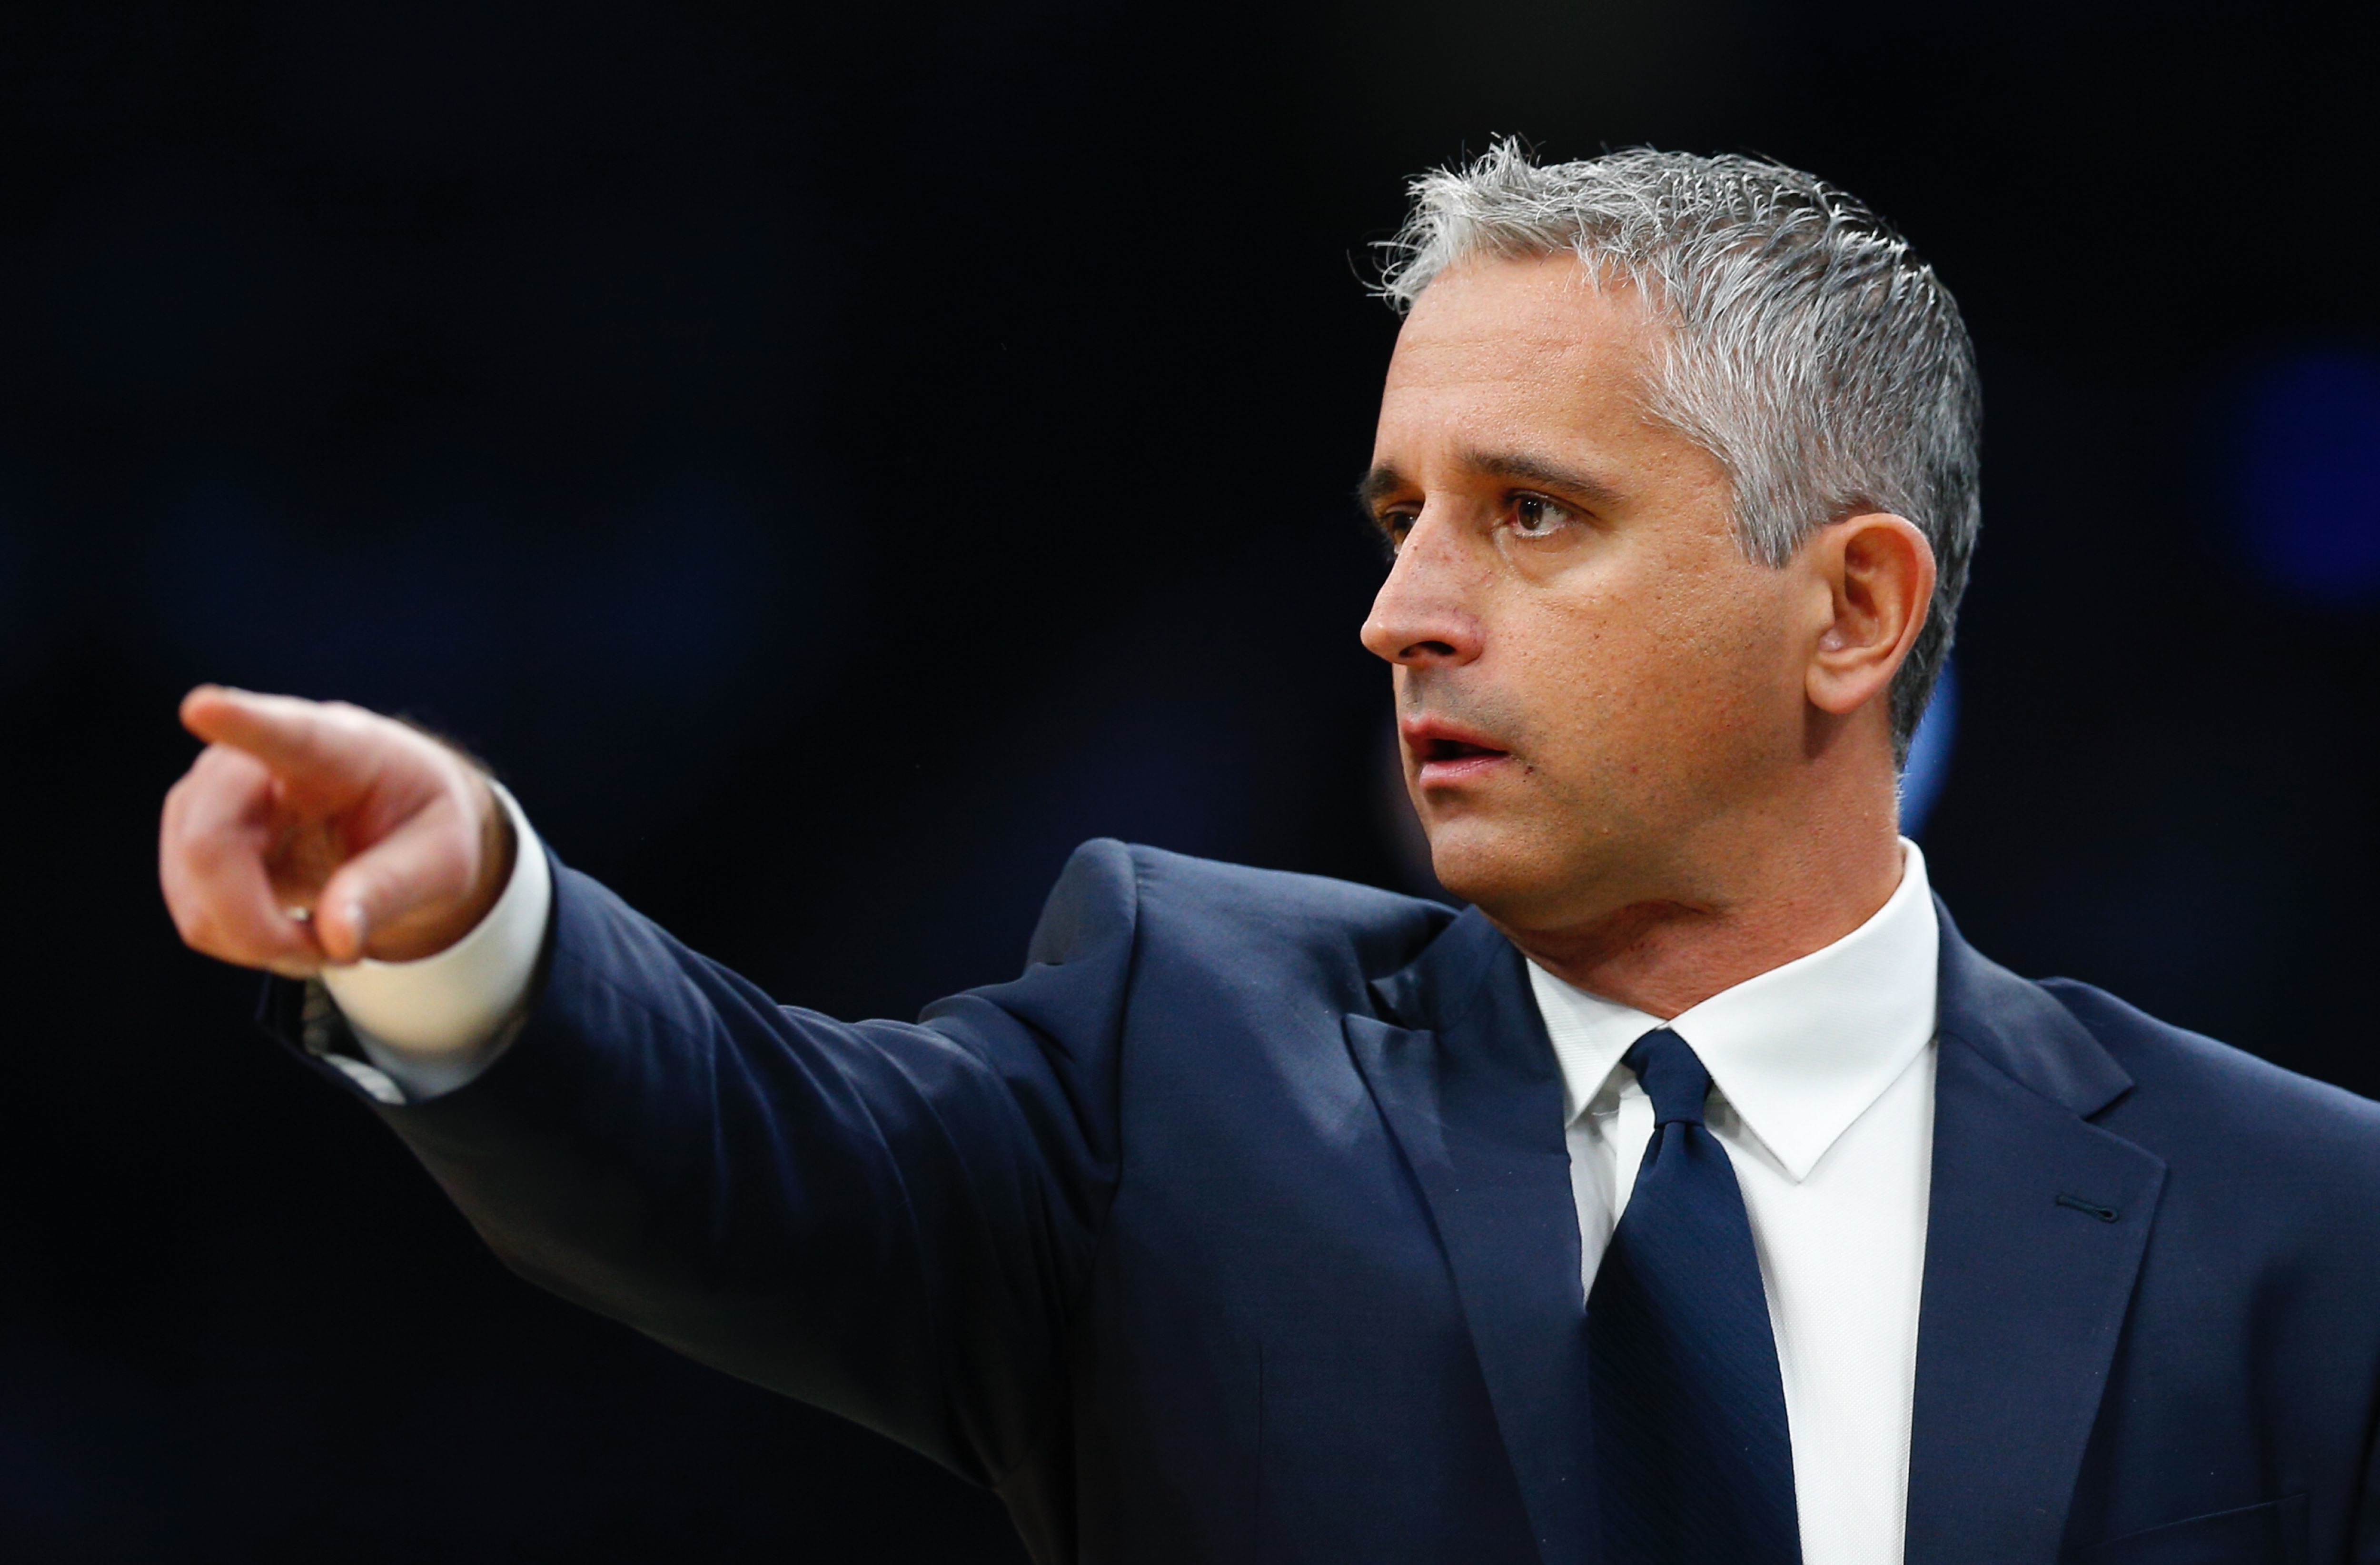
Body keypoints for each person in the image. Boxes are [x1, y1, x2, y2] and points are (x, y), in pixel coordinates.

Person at [157, 146, 2380, 1565]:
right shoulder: (1175, 1053)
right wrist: (474, 929)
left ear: (1852, 611)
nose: (1402, 607)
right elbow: (749, 1149)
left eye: (1527, 513)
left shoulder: (2306, 1224)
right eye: (1393, 518)